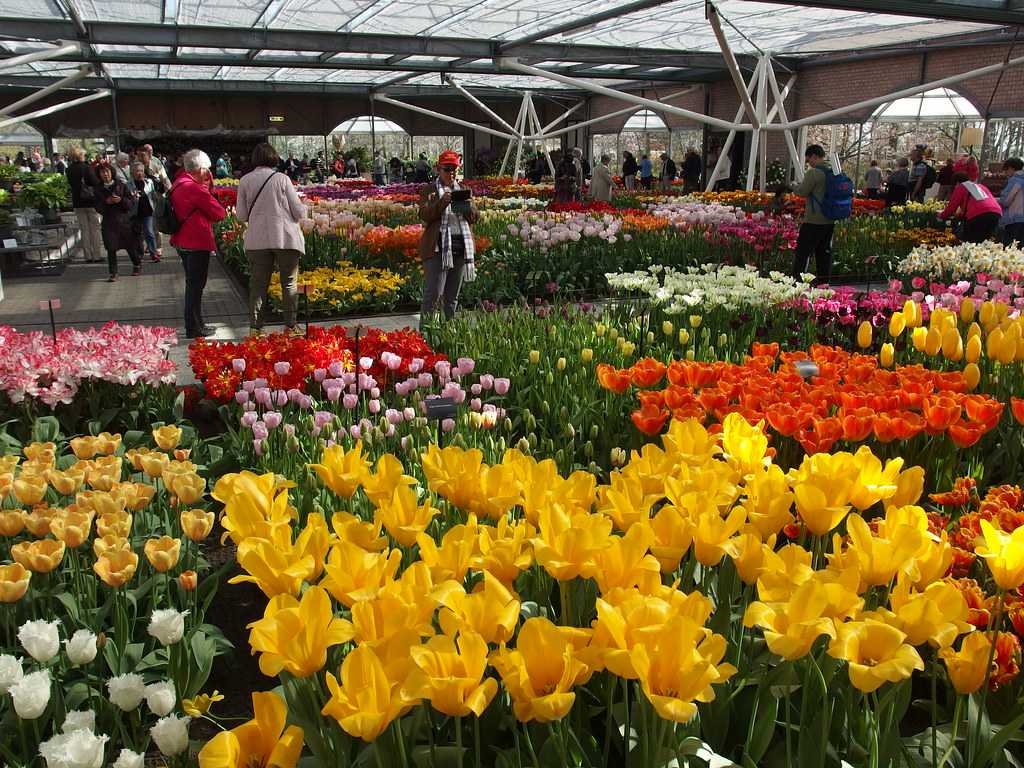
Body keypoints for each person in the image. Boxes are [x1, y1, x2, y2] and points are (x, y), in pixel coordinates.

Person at [236, 143, 306, 337]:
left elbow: (241, 215)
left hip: (257, 240)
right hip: (285, 238)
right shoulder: (282, 179)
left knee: (258, 285)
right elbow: (298, 211)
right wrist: (304, 207)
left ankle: (256, 329)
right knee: (289, 283)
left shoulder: (245, 181)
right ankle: (290, 327)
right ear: (273, 158)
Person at [168, 149, 226, 339]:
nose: (208, 173)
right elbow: (219, 213)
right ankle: (194, 327)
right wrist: (210, 187)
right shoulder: (195, 188)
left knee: (192, 284)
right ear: (200, 169)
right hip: (196, 241)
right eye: (207, 169)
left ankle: (196, 323)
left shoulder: (178, 183)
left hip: (182, 240)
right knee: (195, 286)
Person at [418, 150, 477, 325]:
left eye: (455, 169)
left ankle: (448, 334)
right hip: (437, 248)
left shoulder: (464, 190)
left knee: (452, 298)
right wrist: (442, 202)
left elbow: (474, 218)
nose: (451, 173)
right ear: (438, 169)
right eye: (447, 169)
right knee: (433, 296)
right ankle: (425, 336)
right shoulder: (429, 190)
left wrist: (466, 207)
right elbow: (425, 215)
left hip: (460, 247)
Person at [792, 145, 836, 283]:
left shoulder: (814, 173)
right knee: (823, 253)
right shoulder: (833, 170)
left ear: (814, 156)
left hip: (813, 220)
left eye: (808, 159)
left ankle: (797, 281)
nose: (808, 163)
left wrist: (794, 186)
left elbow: (802, 191)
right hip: (829, 219)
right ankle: (824, 282)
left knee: (803, 252)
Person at [93, 163, 141, 281]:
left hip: (124, 221)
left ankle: (137, 264)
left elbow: (130, 203)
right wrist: (106, 202)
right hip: (109, 222)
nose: (105, 174)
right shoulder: (98, 189)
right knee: (111, 248)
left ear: (111, 172)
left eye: (107, 171)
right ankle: (113, 273)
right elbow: (97, 206)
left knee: (130, 246)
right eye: (102, 172)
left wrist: (121, 200)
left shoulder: (121, 185)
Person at [939, 172, 1001, 243]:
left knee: (971, 243)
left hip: (978, 217)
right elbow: (980, 203)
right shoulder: (980, 186)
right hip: (996, 213)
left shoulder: (961, 187)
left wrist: (941, 215)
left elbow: (951, 208)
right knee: (985, 242)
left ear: (957, 182)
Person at [66, 147, 103, 264]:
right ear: (81, 155)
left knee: (84, 229)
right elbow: (95, 182)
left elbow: (71, 184)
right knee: (95, 229)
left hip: (77, 202)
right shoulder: (87, 168)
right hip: (90, 202)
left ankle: (87, 255)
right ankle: (96, 255)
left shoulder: (69, 169)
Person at [130, 162, 161, 263]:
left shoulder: (149, 182)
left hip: (148, 211)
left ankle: (154, 253)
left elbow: (153, 196)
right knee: (137, 234)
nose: (139, 173)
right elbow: (127, 198)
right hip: (135, 212)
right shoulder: (128, 184)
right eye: (137, 171)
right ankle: (139, 254)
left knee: (149, 232)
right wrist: (133, 197)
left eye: (141, 171)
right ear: (132, 172)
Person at [999, 157, 1024, 246]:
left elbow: (1006, 201)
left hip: (1013, 219)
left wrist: (997, 201)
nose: (1006, 173)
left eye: (1006, 170)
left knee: (1008, 248)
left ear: (1011, 168)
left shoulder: (1015, 180)